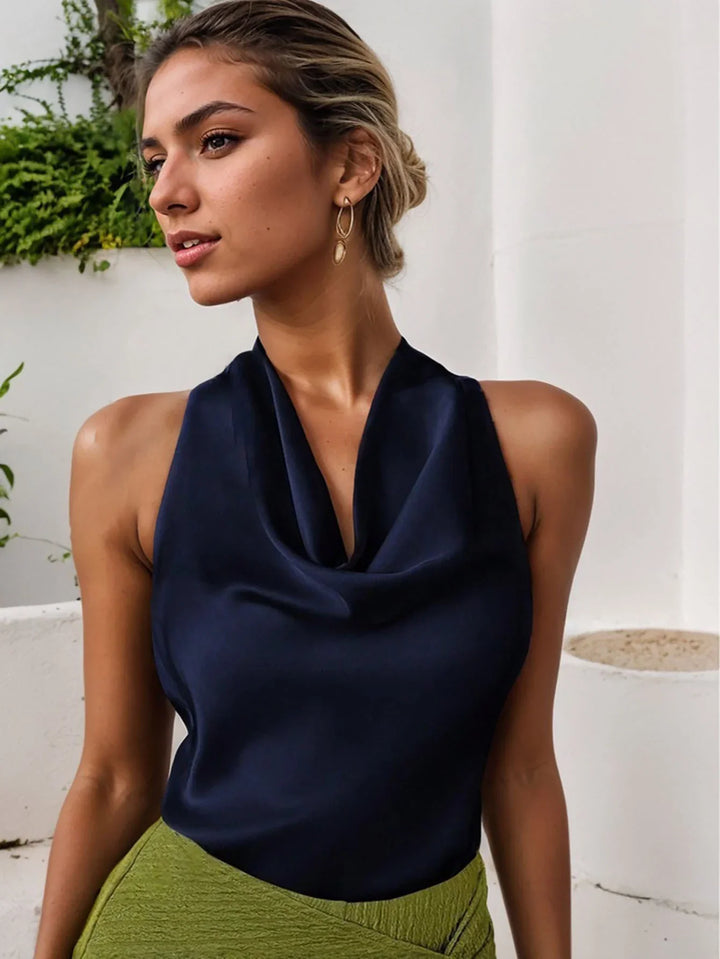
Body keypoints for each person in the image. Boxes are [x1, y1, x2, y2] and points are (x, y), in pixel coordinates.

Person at [33, 1, 597, 957]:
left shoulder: (537, 443)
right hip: (180, 932)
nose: (167, 191)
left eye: (214, 141)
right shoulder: (126, 454)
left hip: (431, 935)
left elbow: (523, 768)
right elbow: (115, 777)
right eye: (155, 159)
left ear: (351, 164)